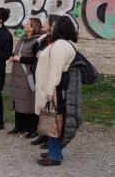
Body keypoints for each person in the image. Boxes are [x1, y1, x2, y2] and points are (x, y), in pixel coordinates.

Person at [36, 16, 78, 166]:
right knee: (53, 120)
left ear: (60, 28)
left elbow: (56, 70)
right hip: (56, 89)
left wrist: (50, 91)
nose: (51, 28)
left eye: (54, 26)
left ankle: (54, 156)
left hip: (55, 90)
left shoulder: (60, 45)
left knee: (54, 121)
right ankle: (54, 151)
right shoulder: (65, 43)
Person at [7, 18, 42, 138]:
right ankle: (18, 127)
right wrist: (13, 56)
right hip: (17, 75)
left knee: (29, 103)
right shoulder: (22, 39)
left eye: (27, 24)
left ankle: (32, 129)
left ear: (32, 27)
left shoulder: (37, 41)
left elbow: (35, 59)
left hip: (28, 76)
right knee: (18, 101)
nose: (24, 24)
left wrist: (20, 59)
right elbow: (17, 52)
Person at [30, 15, 61, 148]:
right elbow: (34, 50)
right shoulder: (44, 38)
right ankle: (42, 134)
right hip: (40, 76)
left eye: (46, 22)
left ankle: (49, 137)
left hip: (48, 76)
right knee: (41, 106)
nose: (43, 23)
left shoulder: (56, 40)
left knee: (48, 107)